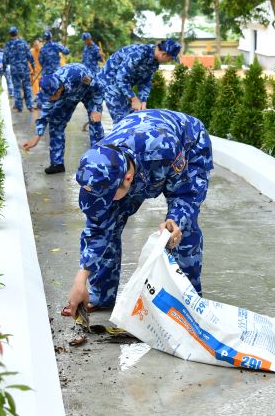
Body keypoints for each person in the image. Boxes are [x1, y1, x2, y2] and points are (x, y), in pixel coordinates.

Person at [64, 109, 213, 316]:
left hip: (187, 142)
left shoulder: (163, 149)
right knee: (109, 221)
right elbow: (98, 226)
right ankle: (101, 295)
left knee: (180, 231)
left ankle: (189, 301)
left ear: (127, 179)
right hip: (134, 155)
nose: (104, 202)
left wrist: (175, 219)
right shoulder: (99, 164)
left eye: (108, 195)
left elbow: (186, 192)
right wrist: (80, 280)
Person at [21, 63, 104, 174]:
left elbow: (99, 87)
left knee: (95, 123)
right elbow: (45, 112)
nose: (49, 99)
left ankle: (100, 163)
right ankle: (57, 163)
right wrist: (37, 136)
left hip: (88, 92)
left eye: (51, 97)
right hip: (68, 97)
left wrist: (96, 109)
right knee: (55, 121)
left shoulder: (78, 75)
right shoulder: (48, 88)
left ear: (59, 89)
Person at [99, 39, 180, 123]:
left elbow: (146, 81)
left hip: (123, 86)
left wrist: (143, 102)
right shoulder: (138, 53)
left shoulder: (155, 62)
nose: (169, 61)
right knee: (122, 120)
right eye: (170, 59)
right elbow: (121, 77)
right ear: (164, 54)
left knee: (134, 117)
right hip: (109, 82)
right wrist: (134, 99)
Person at [2, 26, 35, 111]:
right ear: (17, 33)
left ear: (10, 34)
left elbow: (4, 58)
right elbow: (29, 56)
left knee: (16, 88)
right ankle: (30, 106)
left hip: (14, 69)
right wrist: (33, 66)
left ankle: (19, 107)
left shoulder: (8, 45)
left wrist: (4, 69)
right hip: (24, 68)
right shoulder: (23, 43)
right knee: (27, 87)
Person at [37, 30, 70, 109]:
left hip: (46, 71)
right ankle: (59, 104)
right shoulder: (56, 45)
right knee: (58, 87)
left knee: (46, 87)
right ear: (51, 37)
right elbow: (67, 51)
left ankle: (42, 104)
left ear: (45, 39)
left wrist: (45, 65)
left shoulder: (42, 49)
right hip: (56, 70)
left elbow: (40, 61)